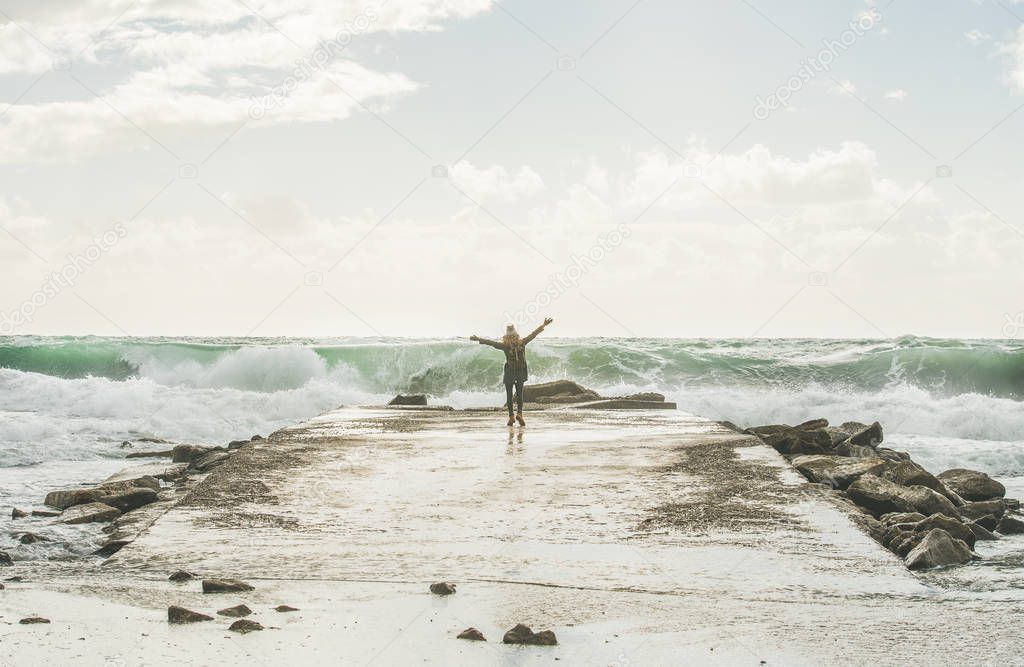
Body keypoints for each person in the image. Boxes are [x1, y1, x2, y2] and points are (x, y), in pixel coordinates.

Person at [470, 317, 554, 426]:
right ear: (516, 334)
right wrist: (543, 325)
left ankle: (511, 417)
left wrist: (478, 339)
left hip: (509, 372)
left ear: (506, 335)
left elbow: (492, 343)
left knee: (509, 395)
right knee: (519, 394)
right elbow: (533, 334)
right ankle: (519, 414)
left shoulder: (505, 346)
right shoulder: (522, 342)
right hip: (520, 371)